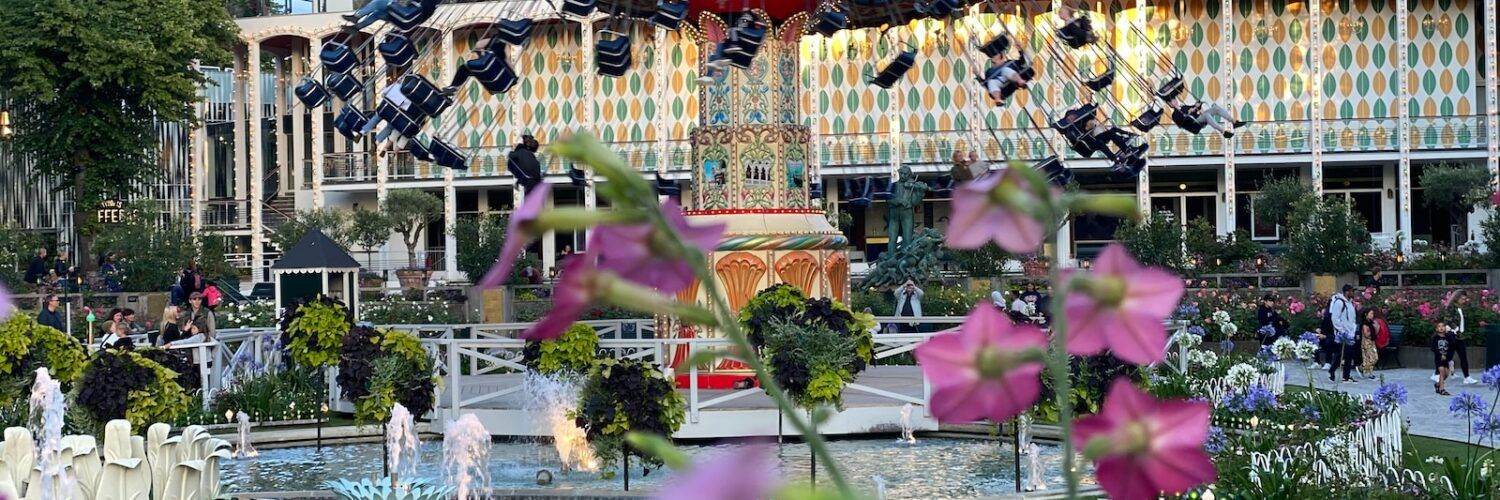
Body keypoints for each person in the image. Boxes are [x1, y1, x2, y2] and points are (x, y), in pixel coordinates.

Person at [1431, 307, 1476, 384]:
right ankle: (1436, 374)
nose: (1464, 300)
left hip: (1459, 336)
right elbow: (1447, 319)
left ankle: (1467, 377)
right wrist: (1454, 328)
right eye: (1462, 298)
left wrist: (1459, 331)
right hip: (1451, 336)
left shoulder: (1461, 309)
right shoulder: (1451, 308)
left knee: (1463, 357)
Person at [1326, 285, 1359, 383]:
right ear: (1347, 292)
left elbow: (1352, 319)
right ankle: (1336, 373)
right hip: (1342, 334)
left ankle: (1344, 375)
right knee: (1342, 354)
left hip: (1349, 333)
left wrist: (1353, 330)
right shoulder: (1339, 303)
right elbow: (1335, 318)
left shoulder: (1350, 303)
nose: (1353, 293)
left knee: (1346, 354)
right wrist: (1342, 330)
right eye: (1352, 291)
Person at [1433, 320, 1459, 395]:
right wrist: (1440, 355)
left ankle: (1437, 384)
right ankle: (1442, 389)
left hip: (1446, 358)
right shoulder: (1435, 338)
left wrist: (1450, 334)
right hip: (1439, 358)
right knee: (1442, 371)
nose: (1441, 328)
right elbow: (1433, 348)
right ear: (1436, 329)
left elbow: (1452, 345)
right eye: (1439, 326)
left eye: (1443, 326)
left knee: (1446, 374)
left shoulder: (1448, 337)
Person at [1358, 309, 1380, 378]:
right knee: (1370, 358)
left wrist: (1377, 328)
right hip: (1366, 343)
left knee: (1375, 357)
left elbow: (1375, 333)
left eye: (1372, 314)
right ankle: (1366, 371)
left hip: (1372, 342)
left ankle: (1362, 368)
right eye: (1370, 314)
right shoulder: (1364, 324)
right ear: (1366, 314)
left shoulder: (1371, 323)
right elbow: (1366, 334)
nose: (1372, 315)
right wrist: (1372, 329)